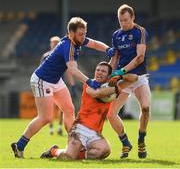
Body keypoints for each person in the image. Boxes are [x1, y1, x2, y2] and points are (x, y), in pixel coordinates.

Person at [11, 17, 115, 158]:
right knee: (46, 117)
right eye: (80, 34)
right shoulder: (68, 46)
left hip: (55, 80)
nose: (83, 37)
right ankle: (20, 145)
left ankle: (74, 144)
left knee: (69, 109)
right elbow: (72, 69)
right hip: (42, 80)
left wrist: (107, 49)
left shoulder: (77, 39)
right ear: (71, 33)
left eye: (84, 33)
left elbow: (94, 44)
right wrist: (89, 81)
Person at [40, 61, 138, 160]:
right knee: (68, 157)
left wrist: (119, 76)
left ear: (109, 75)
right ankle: (54, 151)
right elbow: (97, 94)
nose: (99, 72)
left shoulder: (111, 84)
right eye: (98, 70)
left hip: (95, 133)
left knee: (104, 151)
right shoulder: (90, 84)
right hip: (79, 129)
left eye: (103, 71)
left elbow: (135, 78)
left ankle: (79, 153)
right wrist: (117, 88)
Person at [107, 4, 150, 159]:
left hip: (138, 77)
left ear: (133, 18)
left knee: (145, 108)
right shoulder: (116, 35)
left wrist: (121, 71)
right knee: (111, 114)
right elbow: (114, 58)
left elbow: (140, 57)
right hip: (123, 79)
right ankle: (125, 142)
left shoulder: (140, 31)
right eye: (120, 21)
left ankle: (141, 140)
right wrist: (108, 73)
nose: (123, 24)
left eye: (126, 20)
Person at [40, 36, 77, 136]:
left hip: (60, 83)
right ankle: (51, 128)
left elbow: (68, 70)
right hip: (48, 83)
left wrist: (72, 84)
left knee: (63, 108)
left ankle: (60, 126)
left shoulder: (62, 54)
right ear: (50, 44)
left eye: (57, 42)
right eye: (53, 43)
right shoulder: (46, 56)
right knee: (50, 106)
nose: (55, 44)